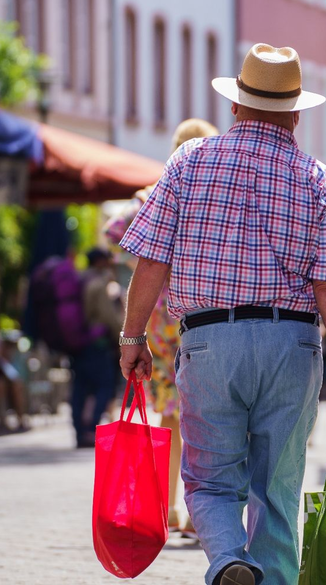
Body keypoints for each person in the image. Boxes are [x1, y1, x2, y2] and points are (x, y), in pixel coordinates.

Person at [117, 44, 326, 585]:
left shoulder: (189, 161)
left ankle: (229, 562)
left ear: (234, 104)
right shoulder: (318, 178)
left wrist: (133, 336)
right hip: (291, 343)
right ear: (296, 114)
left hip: (210, 341)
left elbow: (152, 259)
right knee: (277, 484)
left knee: (209, 480)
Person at [106, 117, 222, 537]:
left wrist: (143, 258)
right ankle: (198, 513)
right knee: (205, 417)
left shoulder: (156, 194)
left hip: (157, 322)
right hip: (199, 316)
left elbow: (113, 231)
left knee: (169, 416)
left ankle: (167, 508)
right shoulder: (212, 195)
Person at [71, 247, 123, 448]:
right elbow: (108, 317)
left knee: (80, 387)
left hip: (77, 342)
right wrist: (122, 338)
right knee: (105, 385)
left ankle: (79, 432)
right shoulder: (98, 284)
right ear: (100, 261)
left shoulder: (78, 279)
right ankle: (92, 428)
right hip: (97, 344)